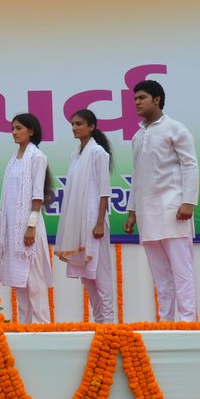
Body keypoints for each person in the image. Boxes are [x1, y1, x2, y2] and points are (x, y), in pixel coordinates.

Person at [124, 80, 199, 322]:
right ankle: (165, 323)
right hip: (147, 214)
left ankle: (187, 323)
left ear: (157, 100)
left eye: (142, 98)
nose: (136, 102)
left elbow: (190, 165)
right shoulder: (138, 136)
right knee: (160, 276)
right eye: (135, 98)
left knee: (182, 272)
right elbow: (137, 176)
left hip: (173, 209)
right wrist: (132, 211)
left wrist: (188, 202)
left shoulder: (175, 129)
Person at [56, 109, 116, 323]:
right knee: (87, 275)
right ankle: (99, 321)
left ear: (91, 127)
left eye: (79, 124)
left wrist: (99, 223)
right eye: (72, 124)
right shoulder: (75, 155)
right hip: (78, 220)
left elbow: (104, 191)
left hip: (93, 220)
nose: (74, 128)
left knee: (101, 274)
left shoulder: (98, 153)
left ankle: (108, 323)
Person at [0, 112, 56, 324]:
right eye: (12, 128)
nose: (14, 132)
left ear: (31, 131)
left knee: (34, 281)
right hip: (13, 229)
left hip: (30, 227)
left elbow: (37, 194)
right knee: (19, 282)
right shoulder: (13, 159)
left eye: (18, 128)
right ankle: (24, 326)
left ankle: (42, 326)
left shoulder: (37, 157)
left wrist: (31, 225)